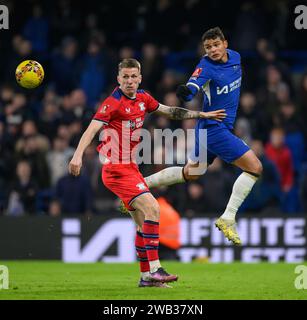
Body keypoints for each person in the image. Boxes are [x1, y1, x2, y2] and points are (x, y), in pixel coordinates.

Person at [68, 58, 225, 288]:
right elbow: (92, 128)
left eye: (133, 76)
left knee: (142, 225)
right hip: (116, 169)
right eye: (125, 77)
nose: (130, 81)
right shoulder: (113, 102)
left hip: (131, 167)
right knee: (153, 208)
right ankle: (155, 269)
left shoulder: (143, 98)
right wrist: (77, 155)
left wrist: (201, 115)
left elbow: (170, 111)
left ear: (140, 77)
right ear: (118, 79)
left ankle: (145, 278)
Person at [142, 27, 263, 245]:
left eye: (216, 45)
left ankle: (141, 184)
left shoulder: (235, 57)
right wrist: (186, 92)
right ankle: (228, 217)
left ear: (225, 43)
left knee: (191, 173)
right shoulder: (205, 66)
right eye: (208, 47)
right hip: (216, 129)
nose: (213, 50)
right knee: (255, 168)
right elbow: (193, 85)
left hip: (206, 130)